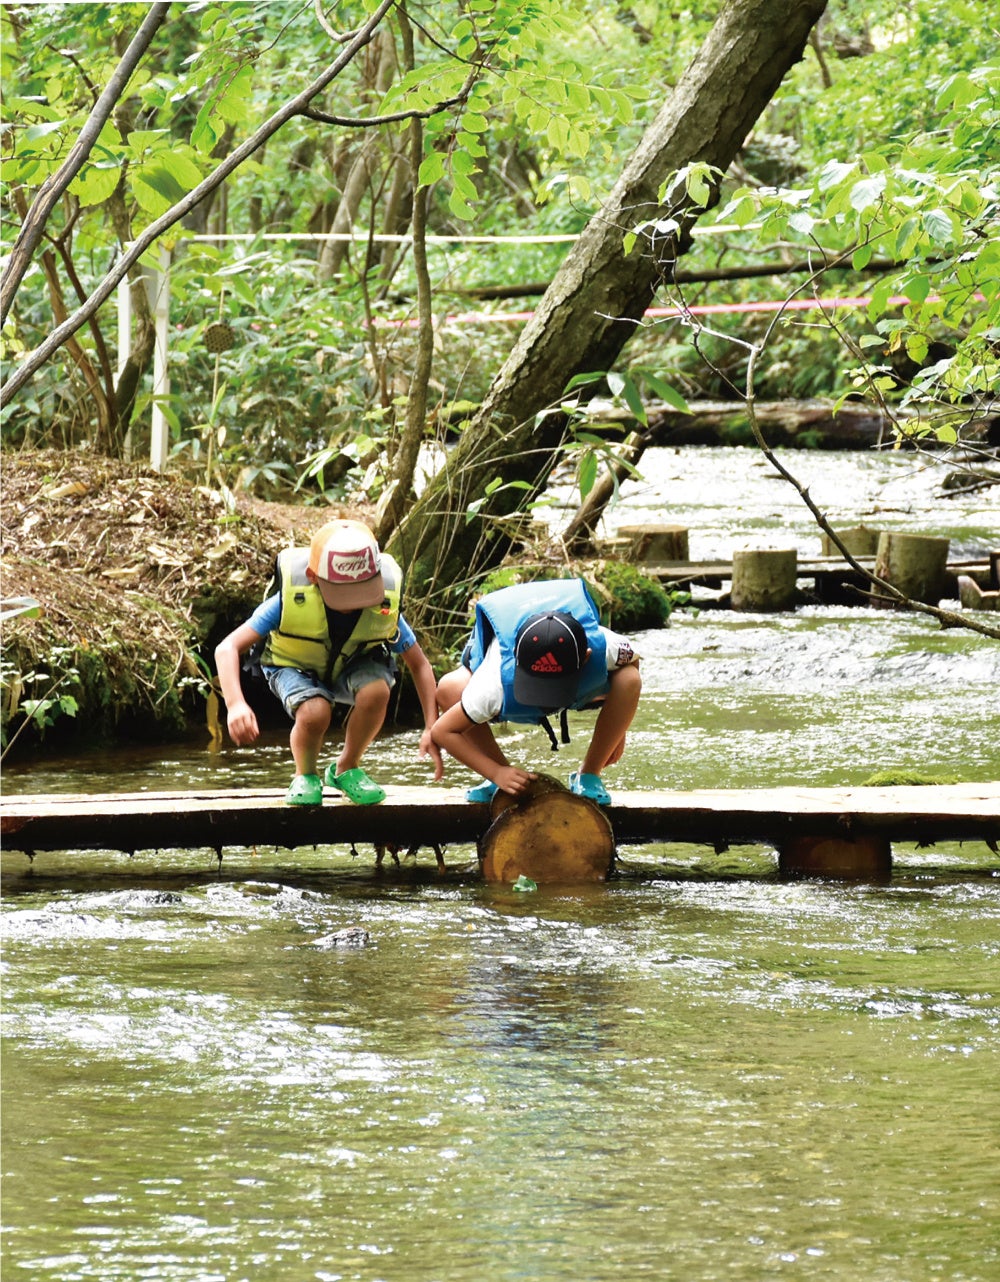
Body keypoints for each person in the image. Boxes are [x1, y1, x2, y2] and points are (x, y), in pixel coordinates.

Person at [215, 518, 442, 806]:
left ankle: (346, 766)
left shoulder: (384, 604)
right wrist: (235, 704)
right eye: (344, 594)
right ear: (313, 576)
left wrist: (431, 725)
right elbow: (227, 648)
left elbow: (419, 664)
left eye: (362, 591)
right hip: (292, 664)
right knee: (314, 712)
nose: (354, 603)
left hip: (354, 663)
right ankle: (305, 775)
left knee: (377, 691)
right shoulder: (289, 600)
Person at [431, 578, 641, 805]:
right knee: (448, 688)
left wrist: (618, 733)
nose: (546, 698)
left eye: (554, 685)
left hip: (582, 684)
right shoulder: (494, 681)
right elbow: (442, 732)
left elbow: (633, 661)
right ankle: (498, 778)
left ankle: (589, 774)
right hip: (504, 678)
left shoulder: (606, 646)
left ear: (586, 656)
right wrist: (495, 772)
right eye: (541, 685)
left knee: (629, 679)